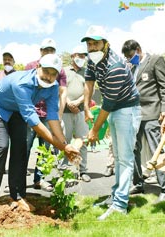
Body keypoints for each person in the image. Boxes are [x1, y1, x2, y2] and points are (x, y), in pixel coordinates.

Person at [0, 54, 80, 212]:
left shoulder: (53, 87)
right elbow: (33, 121)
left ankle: (17, 196)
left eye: (54, 73)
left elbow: (52, 116)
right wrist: (62, 147)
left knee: (21, 149)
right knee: (2, 145)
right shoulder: (21, 83)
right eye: (46, 71)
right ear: (38, 68)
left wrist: (65, 144)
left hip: (16, 110)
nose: (49, 77)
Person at [81, 25, 141, 220]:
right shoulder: (92, 59)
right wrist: (87, 109)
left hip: (126, 109)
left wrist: (94, 131)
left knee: (124, 158)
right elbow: (88, 82)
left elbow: (107, 103)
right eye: (89, 44)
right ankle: (116, 196)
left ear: (106, 44)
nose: (92, 47)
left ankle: (120, 204)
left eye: (96, 43)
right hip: (115, 108)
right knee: (117, 156)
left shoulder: (115, 66)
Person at [122, 40, 165, 202]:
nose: (129, 59)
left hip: (152, 113)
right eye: (126, 57)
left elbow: (164, 86)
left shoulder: (155, 60)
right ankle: (138, 183)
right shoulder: (131, 67)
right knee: (133, 149)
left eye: (131, 56)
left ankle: (164, 187)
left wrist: (164, 110)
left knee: (157, 150)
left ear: (139, 50)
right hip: (134, 114)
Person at [25, 38, 67, 191]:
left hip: (47, 113)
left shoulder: (60, 70)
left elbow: (62, 92)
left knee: (45, 149)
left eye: (52, 50)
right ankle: (17, 179)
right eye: (46, 50)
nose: (49, 52)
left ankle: (39, 179)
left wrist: (59, 114)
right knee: (24, 147)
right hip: (30, 113)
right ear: (40, 51)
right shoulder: (30, 66)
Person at [60, 45, 91, 182]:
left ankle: (83, 170)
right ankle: (62, 170)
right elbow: (60, 89)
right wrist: (68, 102)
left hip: (81, 112)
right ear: (72, 56)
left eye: (83, 56)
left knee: (82, 140)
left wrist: (77, 102)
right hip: (65, 111)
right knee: (63, 141)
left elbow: (90, 91)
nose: (81, 58)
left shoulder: (88, 71)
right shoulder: (63, 71)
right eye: (79, 55)